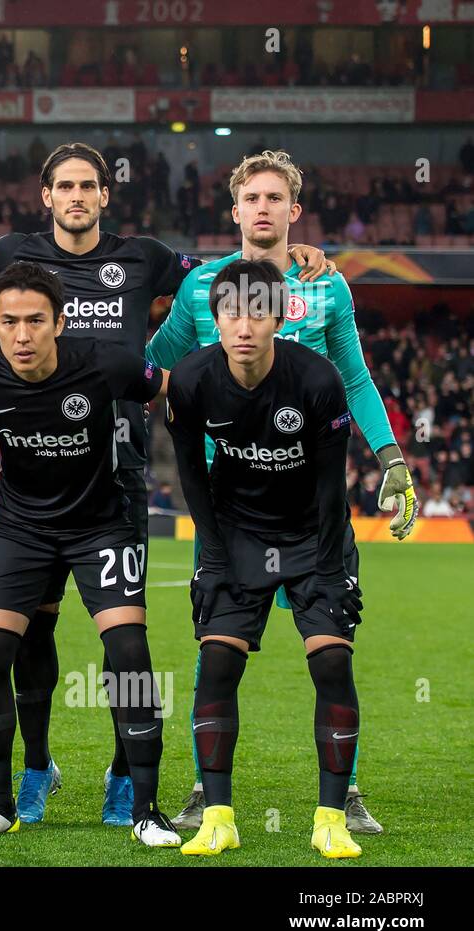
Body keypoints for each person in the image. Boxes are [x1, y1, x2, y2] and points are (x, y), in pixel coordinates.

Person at [0, 142, 332, 826]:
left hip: (118, 474)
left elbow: (217, 278)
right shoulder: (8, 255)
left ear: (106, 194)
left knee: (123, 643)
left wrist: (290, 258)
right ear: (46, 195)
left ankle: (128, 779)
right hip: (31, 486)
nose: (75, 195)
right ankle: (35, 768)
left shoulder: (146, 256)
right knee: (29, 636)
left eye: (88, 186)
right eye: (63, 185)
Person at [147, 149, 410, 834]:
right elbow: (154, 363)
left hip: (310, 500)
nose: (262, 208)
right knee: (216, 653)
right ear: (233, 211)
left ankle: (344, 792)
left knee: (330, 647)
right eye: (250, 198)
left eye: (275, 198)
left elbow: (353, 378)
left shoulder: (328, 287)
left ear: (295, 210)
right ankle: (211, 794)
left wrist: (390, 458)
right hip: (228, 503)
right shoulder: (202, 286)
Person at [0, 261, 178, 845]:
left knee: (128, 650)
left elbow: (174, 390)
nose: (22, 336)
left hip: (100, 526)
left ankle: (147, 811)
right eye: (9, 323)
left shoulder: (105, 361)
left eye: (34, 321)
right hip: (21, 529)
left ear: (59, 321)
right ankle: (0, 805)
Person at [165, 258, 365, 859]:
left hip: (313, 532)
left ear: (279, 317)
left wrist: (331, 566)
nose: (244, 325)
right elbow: (193, 479)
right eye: (232, 312)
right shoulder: (192, 381)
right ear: (216, 319)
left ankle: (331, 818)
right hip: (236, 531)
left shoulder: (318, 380)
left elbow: (334, 486)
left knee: (330, 664)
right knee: (218, 664)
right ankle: (218, 816)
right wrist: (216, 557)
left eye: (258, 312)